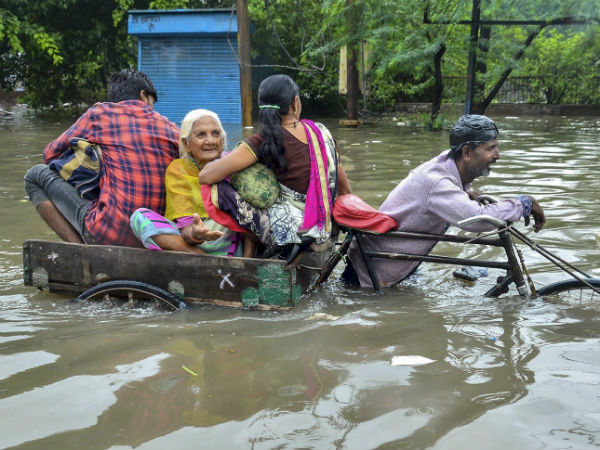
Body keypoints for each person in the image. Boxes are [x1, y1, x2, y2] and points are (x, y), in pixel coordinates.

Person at [344, 114, 546, 288]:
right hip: (372, 274)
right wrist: (524, 204)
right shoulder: (438, 182)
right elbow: (477, 220)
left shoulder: (447, 164)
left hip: (390, 265)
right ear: (467, 153)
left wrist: (464, 193)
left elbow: (450, 192)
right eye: (490, 148)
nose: (497, 155)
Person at [197, 74, 352, 255]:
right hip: (327, 230)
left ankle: (253, 247)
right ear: (295, 103)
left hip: (293, 235)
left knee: (219, 187)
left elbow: (205, 176)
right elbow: (345, 191)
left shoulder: (262, 140)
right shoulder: (322, 133)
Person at [24, 69, 179, 247]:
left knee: (34, 175)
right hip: (157, 235)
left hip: (109, 232)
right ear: (143, 96)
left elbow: (49, 154)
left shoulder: (99, 115)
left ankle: (80, 250)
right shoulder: (171, 128)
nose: (152, 108)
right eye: (152, 102)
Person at [130, 109, 253, 257]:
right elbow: (185, 226)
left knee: (239, 215)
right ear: (186, 143)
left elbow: (250, 220)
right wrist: (196, 233)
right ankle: (200, 257)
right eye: (201, 134)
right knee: (139, 217)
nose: (210, 140)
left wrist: (247, 261)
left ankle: (205, 259)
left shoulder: (233, 163)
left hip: (227, 239)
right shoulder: (178, 169)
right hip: (190, 242)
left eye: (216, 133)